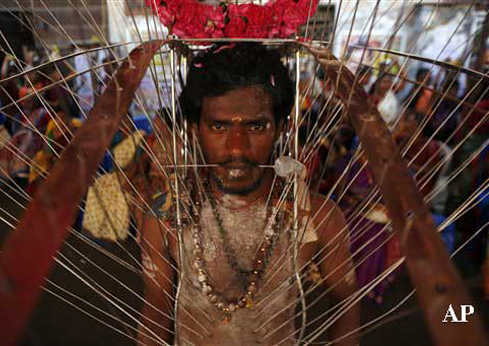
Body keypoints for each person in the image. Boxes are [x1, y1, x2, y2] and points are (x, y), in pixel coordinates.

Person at [138, 43, 359, 345]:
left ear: (281, 127)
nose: (237, 148)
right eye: (219, 126)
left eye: (256, 126)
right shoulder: (166, 216)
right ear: (194, 130)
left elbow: (345, 302)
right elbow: (155, 312)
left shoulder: (317, 217)